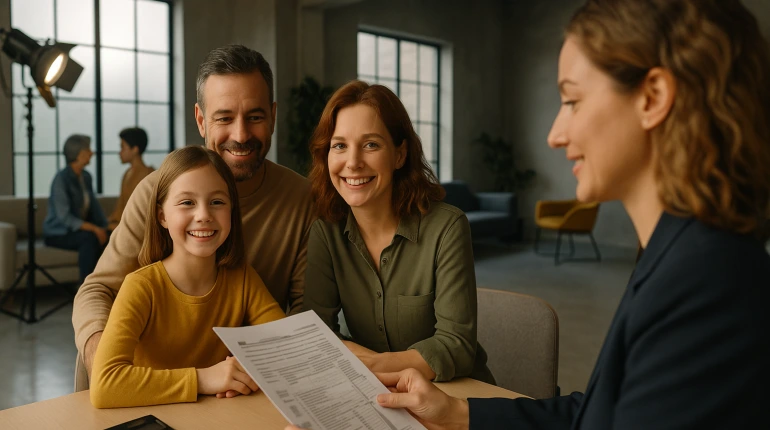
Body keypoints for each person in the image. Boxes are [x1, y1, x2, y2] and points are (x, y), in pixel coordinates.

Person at [329, 0, 770, 429]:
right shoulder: (678, 254)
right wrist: (458, 414)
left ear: (652, 97)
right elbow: (598, 411)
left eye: (572, 101)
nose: (555, 135)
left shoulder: (708, 284)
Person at [73, 44, 315, 384]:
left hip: (240, 385)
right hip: (151, 384)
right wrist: (106, 368)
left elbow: (305, 312)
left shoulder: (302, 199)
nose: (241, 135)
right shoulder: (155, 192)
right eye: (224, 118)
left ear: (273, 117)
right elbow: (98, 290)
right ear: (201, 120)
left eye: (255, 117)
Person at [303, 80, 494, 385]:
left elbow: (456, 346)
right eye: (339, 146)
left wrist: (374, 364)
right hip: (369, 393)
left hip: (452, 393)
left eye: (371, 145)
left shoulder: (447, 227)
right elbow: (314, 332)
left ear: (400, 155)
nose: (353, 163)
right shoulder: (326, 232)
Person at [90, 146, 284, 408]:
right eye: (187, 203)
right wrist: (203, 379)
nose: (203, 215)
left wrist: (243, 370)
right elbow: (104, 386)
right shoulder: (141, 287)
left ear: (232, 211)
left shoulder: (243, 279)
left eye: (217, 202)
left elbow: (286, 348)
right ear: (162, 216)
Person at [43, 134, 108, 284]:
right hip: (58, 232)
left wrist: (105, 226)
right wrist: (94, 229)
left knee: (111, 236)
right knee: (89, 239)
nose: (92, 153)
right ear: (79, 154)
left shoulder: (86, 177)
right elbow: (64, 217)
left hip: (78, 231)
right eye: (88, 150)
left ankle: (107, 286)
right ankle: (85, 288)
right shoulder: (61, 179)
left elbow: (94, 207)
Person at [107, 127, 155, 231]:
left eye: (123, 147)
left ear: (135, 149)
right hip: (123, 225)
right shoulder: (127, 173)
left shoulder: (149, 175)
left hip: (140, 228)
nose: (120, 152)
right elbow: (120, 208)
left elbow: (146, 211)